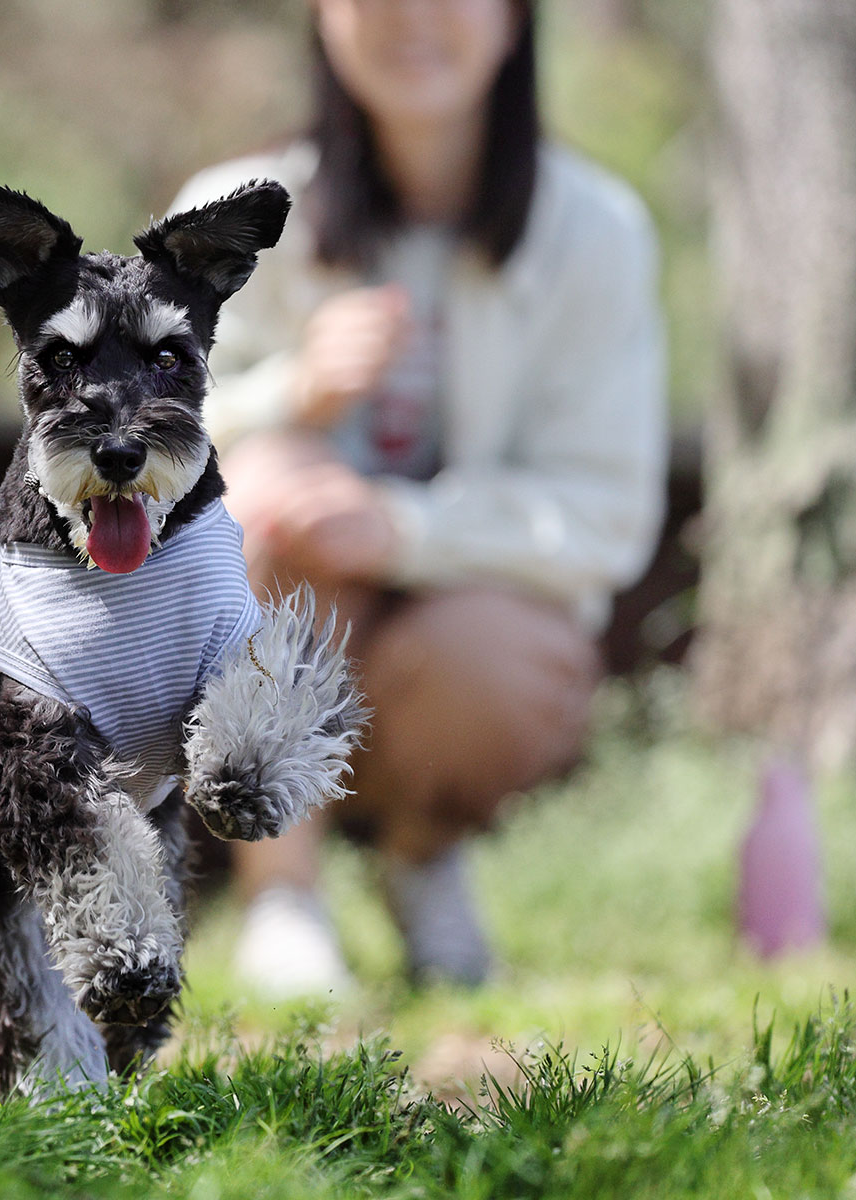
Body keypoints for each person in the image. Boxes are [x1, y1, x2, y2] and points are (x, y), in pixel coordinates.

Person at [168, 0, 666, 989]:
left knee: (490, 661)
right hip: (288, 608)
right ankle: (284, 895)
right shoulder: (231, 212)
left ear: (515, 17)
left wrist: (398, 530)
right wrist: (289, 396)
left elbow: (605, 513)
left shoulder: (596, 230)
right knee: (255, 493)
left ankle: (421, 855)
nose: (411, 14)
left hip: (462, 640)